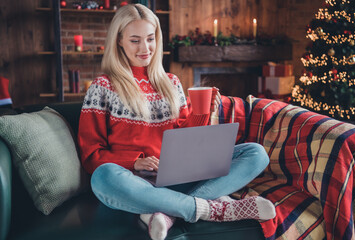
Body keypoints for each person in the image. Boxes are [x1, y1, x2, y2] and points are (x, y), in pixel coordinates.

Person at [77, 3, 275, 240]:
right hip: (134, 183)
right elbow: (91, 155)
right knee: (102, 177)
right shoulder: (102, 87)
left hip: (179, 176)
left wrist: (202, 114)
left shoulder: (171, 83)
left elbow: (187, 139)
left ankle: (167, 212)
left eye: (150, 39)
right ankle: (210, 208)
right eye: (135, 40)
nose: (145, 48)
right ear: (119, 40)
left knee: (256, 153)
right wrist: (136, 162)